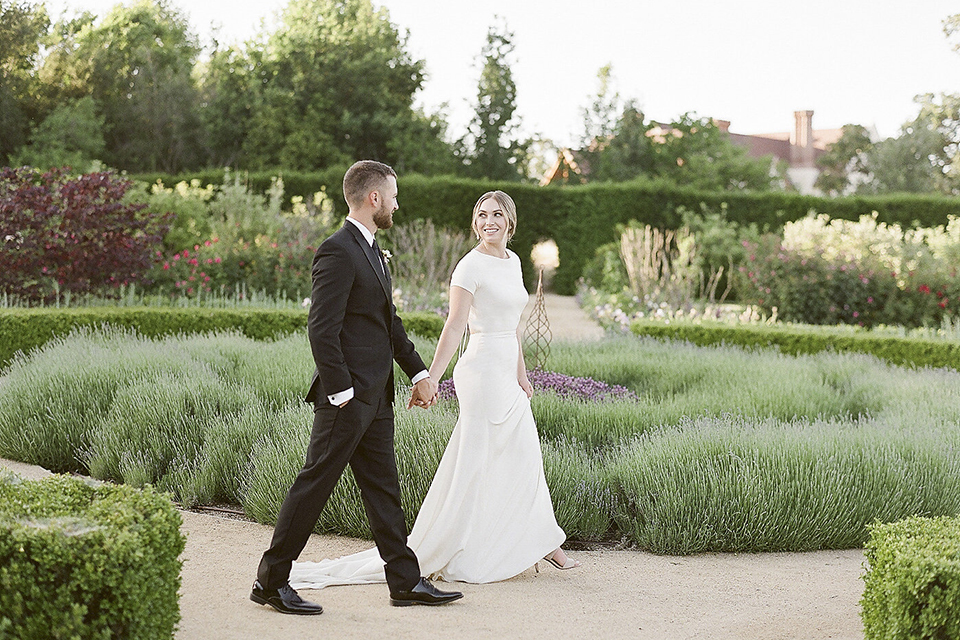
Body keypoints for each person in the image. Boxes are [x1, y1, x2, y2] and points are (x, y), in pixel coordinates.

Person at [286, 189, 578, 590]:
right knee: (477, 458)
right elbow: (454, 325)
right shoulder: (468, 267)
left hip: (507, 371)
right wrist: (432, 376)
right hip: (480, 372)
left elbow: (511, 326)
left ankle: (543, 538)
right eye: (481, 215)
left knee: (524, 451)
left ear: (510, 221)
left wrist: (522, 373)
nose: (487, 221)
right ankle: (453, 544)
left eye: (496, 215)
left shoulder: (512, 264)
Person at [250, 160, 463, 615]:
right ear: (374, 198)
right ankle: (270, 582)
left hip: (377, 398)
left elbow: (389, 324)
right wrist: (341, 391)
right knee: (313, 486)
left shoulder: (372, 250)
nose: (397, 202)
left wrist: (420, 374)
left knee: (384, 488)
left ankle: (405, 582)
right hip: (346, 400)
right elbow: (321, 329)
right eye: (394, 194)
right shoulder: (337, 250)